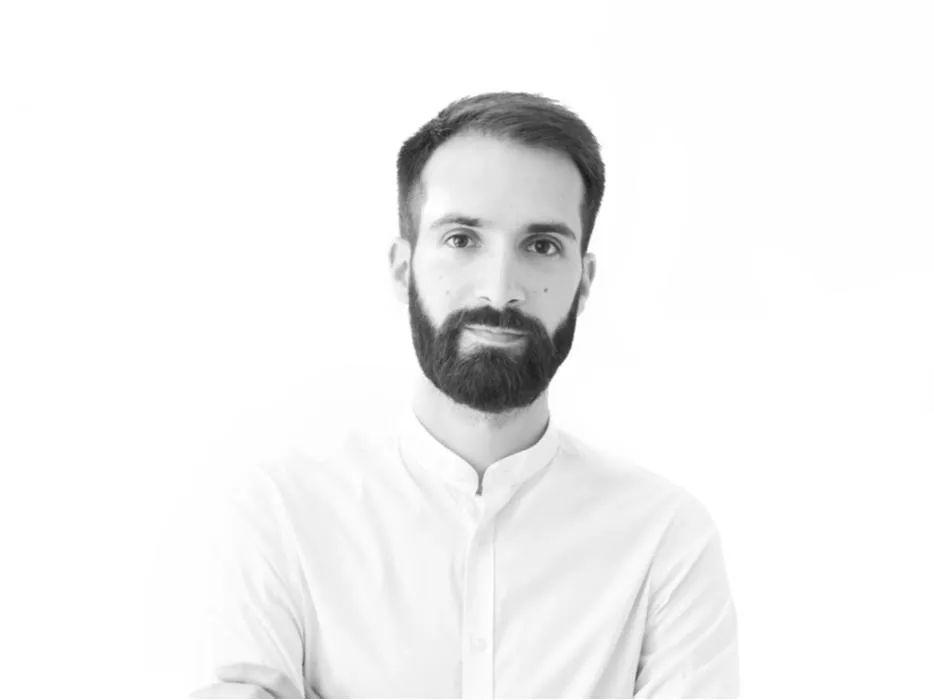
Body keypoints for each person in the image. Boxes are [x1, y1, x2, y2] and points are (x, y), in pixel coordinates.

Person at [191, 92, 740, 699]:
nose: (499, 290)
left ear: (583, 283)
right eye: (461, 239)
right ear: (403, 268)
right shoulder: (282, 517)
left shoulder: (665, 542)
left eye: (541, 246)